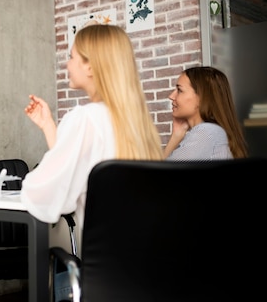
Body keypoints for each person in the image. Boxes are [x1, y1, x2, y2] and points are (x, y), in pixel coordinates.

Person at [19, 24, 163, 301]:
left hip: (109, 277)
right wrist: (50, 126)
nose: (67, 62)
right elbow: (79, 173)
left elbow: (48, 197)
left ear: (91, 67)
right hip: (149, 272)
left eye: (72, 56)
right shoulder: (139, 127)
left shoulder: (86, 118)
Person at [164, 66, 247, 160]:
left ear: (201, 97)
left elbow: (156, 173)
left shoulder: (207, 131)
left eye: (180, 90)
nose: (171, 96)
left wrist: (175, 138)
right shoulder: (212, 132)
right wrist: (177, 134)